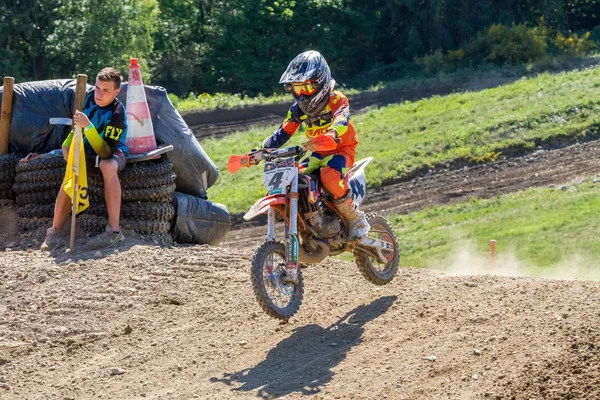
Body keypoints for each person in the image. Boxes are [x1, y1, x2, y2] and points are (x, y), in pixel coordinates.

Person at [256, 50, 370, 241]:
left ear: (321, 82)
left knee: (329, 176)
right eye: (296, 89)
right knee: (297, 177)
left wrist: (332, 133)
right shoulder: (298, 110)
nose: (301, 95)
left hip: (341, 149)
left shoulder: (336, 100)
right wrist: (260, 150)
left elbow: (342, 119)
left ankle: (354, 217)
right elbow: (283, 132)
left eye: (306, 88)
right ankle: (311, 218)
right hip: (317, 152)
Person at [41, 67, 129, 251]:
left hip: (112, 152)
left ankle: (114, 230)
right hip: (87, 151)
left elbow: (106, 152)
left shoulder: (117, 114)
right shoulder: (89, 98)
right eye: (97, 88)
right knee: (71, 171)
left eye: (106, 90)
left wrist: (88, 126)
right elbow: (76, 128)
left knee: (107, 165)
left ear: (116, 91)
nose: (99, 94)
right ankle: (55, 232)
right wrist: (67, 145)